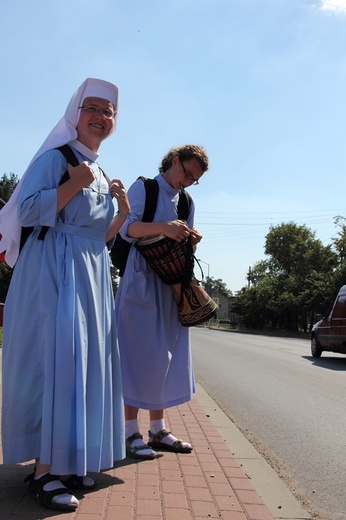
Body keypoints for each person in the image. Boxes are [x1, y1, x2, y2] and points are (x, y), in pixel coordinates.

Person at [0, 78, 129, 511]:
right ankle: (44, 473)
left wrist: (123, 214)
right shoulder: (57, 158)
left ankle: (69, 460)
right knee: (55, 363)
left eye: (108, 111)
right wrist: (74, 183)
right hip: (51, 271)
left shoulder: (102, 170)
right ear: (75, 113)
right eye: (92, 107)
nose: (100, 116)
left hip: (90, 276)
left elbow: (100, 240)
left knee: (83, 367)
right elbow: (29, 210)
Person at [115, 144, 209, 459]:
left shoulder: (186, 201)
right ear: (174, 160)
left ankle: (158, 429)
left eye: (194, 179)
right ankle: (130, 431)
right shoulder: (145, 187)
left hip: (169, 284)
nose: (187, 181)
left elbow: (182, 243)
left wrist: (190, 240)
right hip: (140, 278)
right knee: (136, 353)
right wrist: (164, 228)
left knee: (164, 357)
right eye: (187, 172)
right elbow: (126, 227)